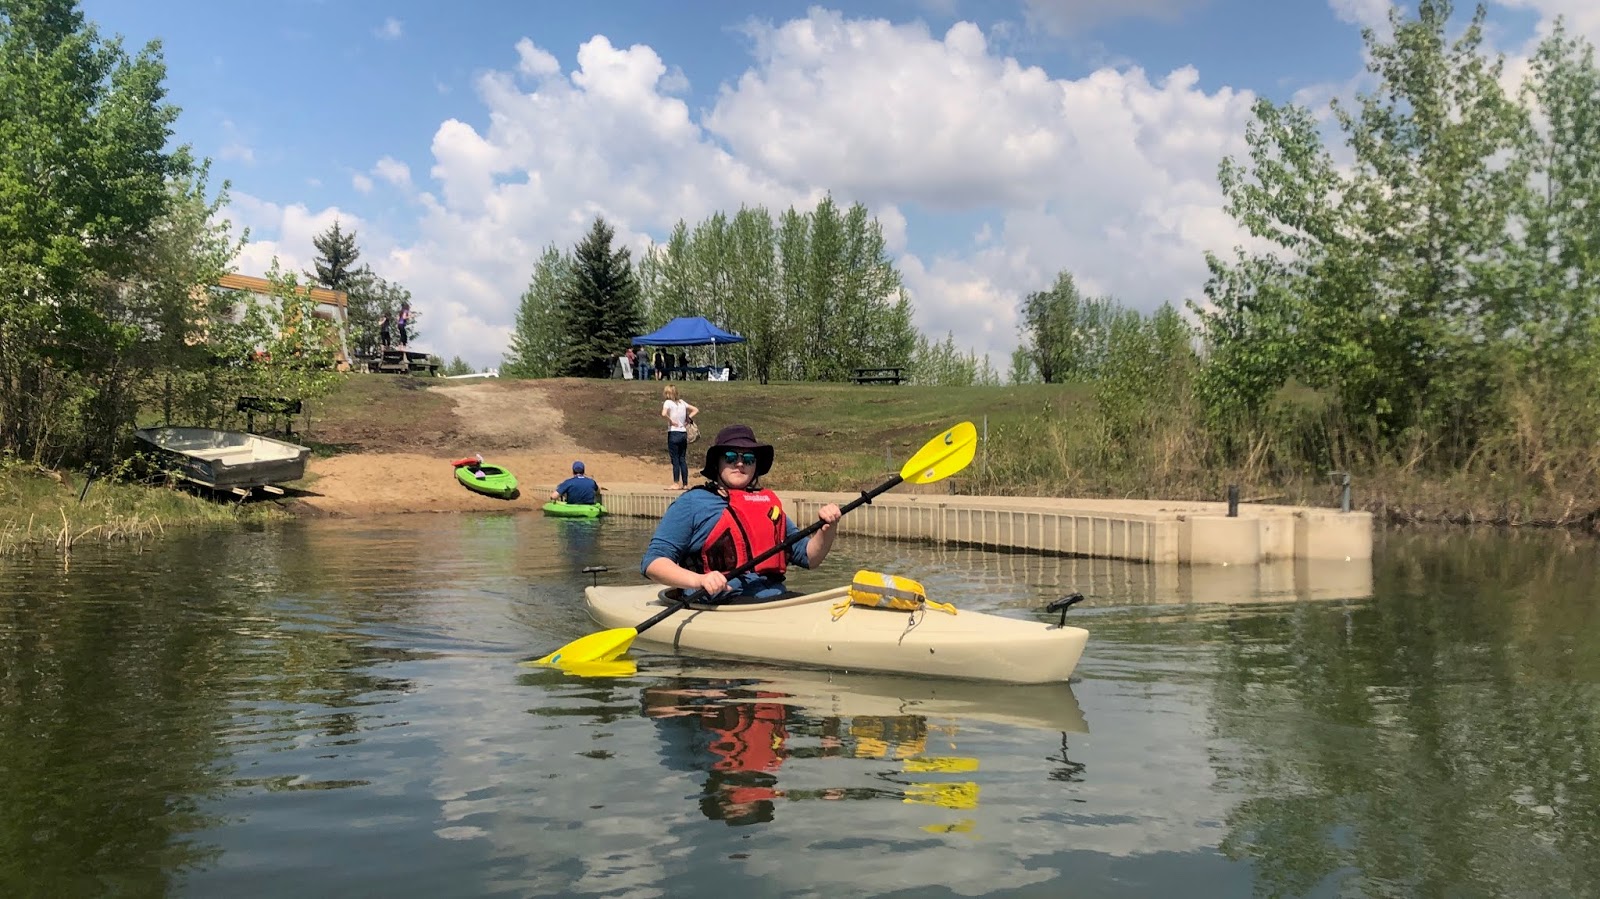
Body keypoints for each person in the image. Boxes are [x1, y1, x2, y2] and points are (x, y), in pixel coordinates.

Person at [642, 423, 842, 600]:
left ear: (755, 466)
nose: (739, 463)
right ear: (717, 463)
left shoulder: (766, 505)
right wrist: (700, 580)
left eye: (748, 459)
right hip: (722, 601)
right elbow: (653, 563)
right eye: (730, 457)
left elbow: (810, 557)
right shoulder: (693, 503)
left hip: (774, 597)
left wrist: (828, 528)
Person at [660, 385, 698, 491]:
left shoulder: (668, 403)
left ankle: (676, 483)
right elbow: (695, 409)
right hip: (683, 433)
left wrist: (670, 420)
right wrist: (688, 418)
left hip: (673, 432)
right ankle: (685, 483)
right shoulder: (682, 402)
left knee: (675, 459)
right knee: (682, 459)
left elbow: (663, 414)